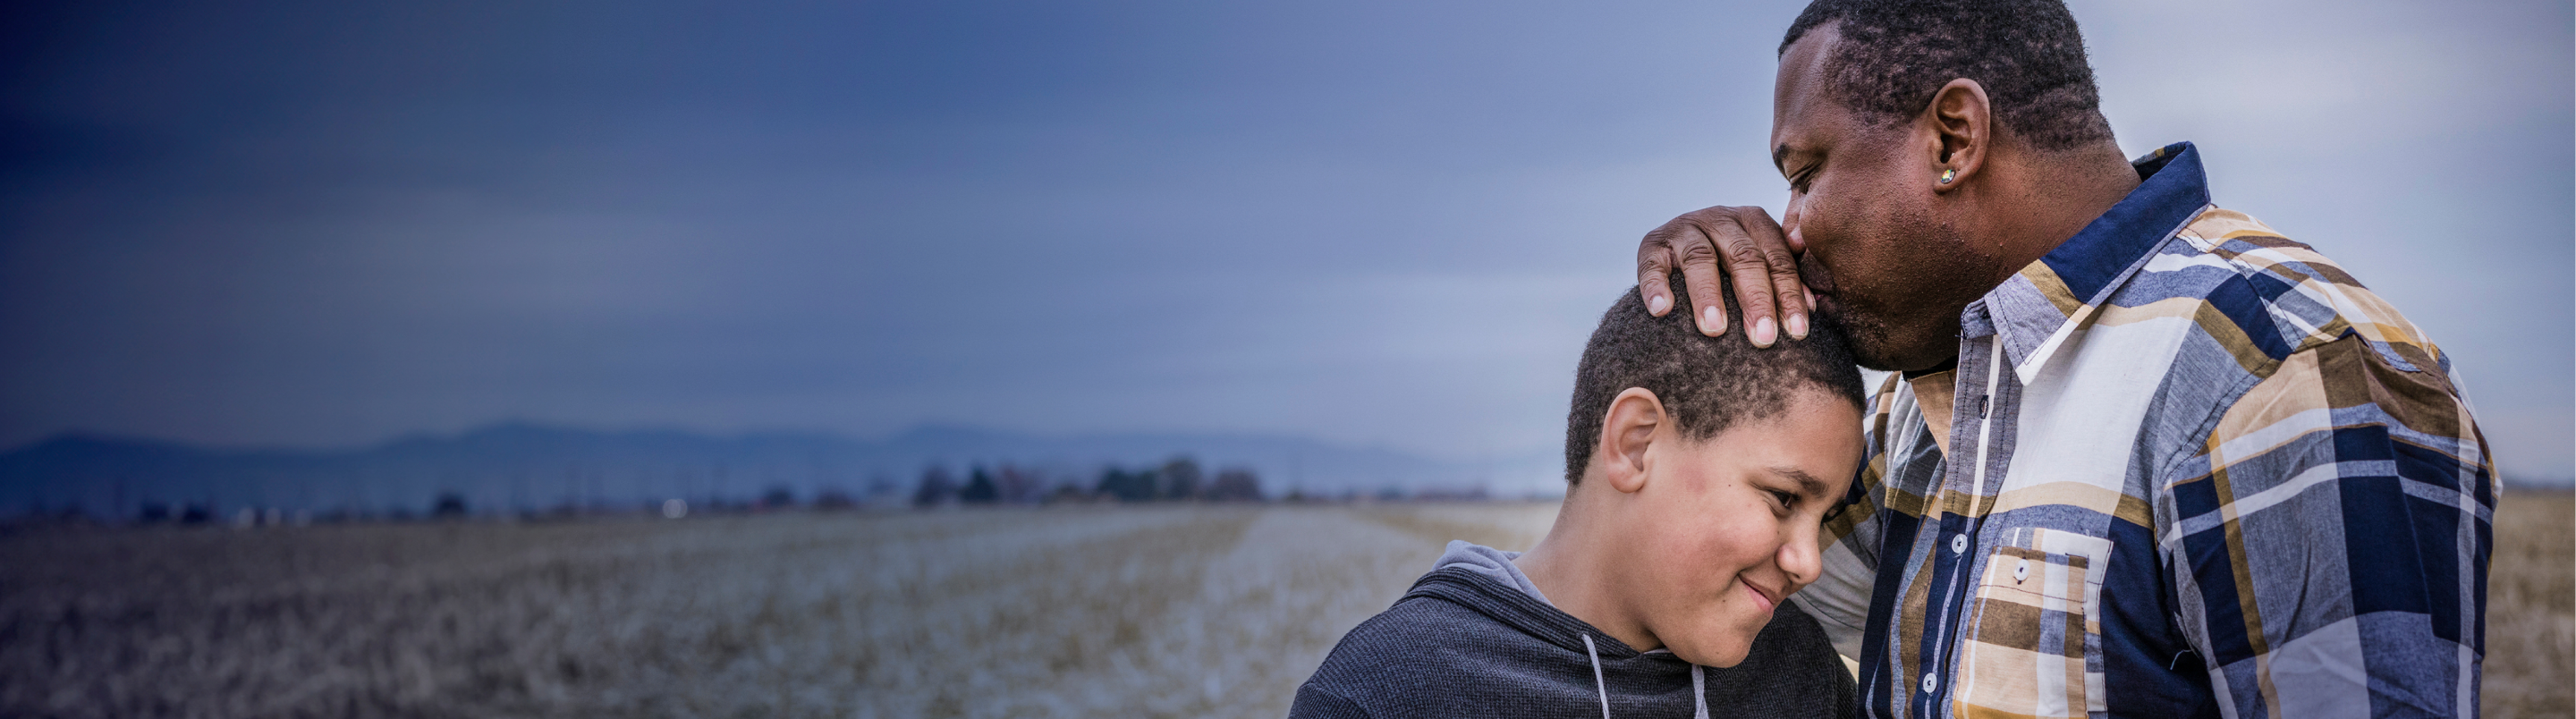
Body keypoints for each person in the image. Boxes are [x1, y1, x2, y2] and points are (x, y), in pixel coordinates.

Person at [1625, 0, 2495, 716]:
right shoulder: (1927, 395)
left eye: (1806, 171)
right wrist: (1709, 337)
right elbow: (1702, 612)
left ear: (1955, 138)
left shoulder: (2282, 371)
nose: (1790, 228)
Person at [1290, 277, 1863, 718]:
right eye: (1785, 499)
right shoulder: (1389, 690)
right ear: (1636, 445)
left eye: (1825, 517)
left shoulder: (1798, 673)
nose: (1808, 563)